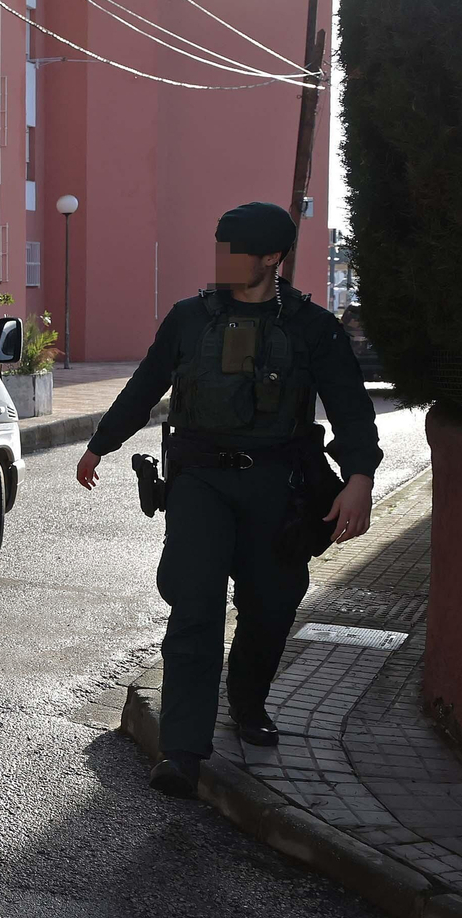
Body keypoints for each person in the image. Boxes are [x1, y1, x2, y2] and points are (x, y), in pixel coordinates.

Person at [76, 202, 381, 798]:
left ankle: (247, 702)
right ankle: (182, 751)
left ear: (272, 258)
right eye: (220, 247)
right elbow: (146, 386)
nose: (222, 260)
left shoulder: (312, 328)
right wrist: (99, 445)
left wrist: (361, 479)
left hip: (279, 487)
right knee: (195, 609)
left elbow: (350, 408)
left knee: (270, 607)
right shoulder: (190, 318)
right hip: (199, 484)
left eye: (235, 250)